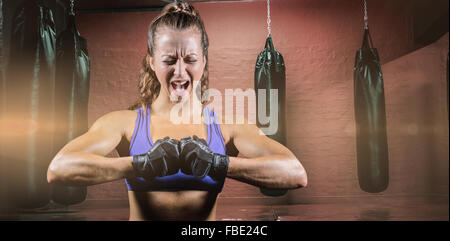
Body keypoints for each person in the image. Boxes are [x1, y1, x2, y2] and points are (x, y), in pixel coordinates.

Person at [46, 1, 307, 221]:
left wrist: (218, 163)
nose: (180, 71)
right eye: (169, 60)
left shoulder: (228, 127)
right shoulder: (124, 123)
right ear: (151, 62)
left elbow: (294, 173)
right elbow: (59, 168)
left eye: (191, 59)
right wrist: (140, 164)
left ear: (203, 62)